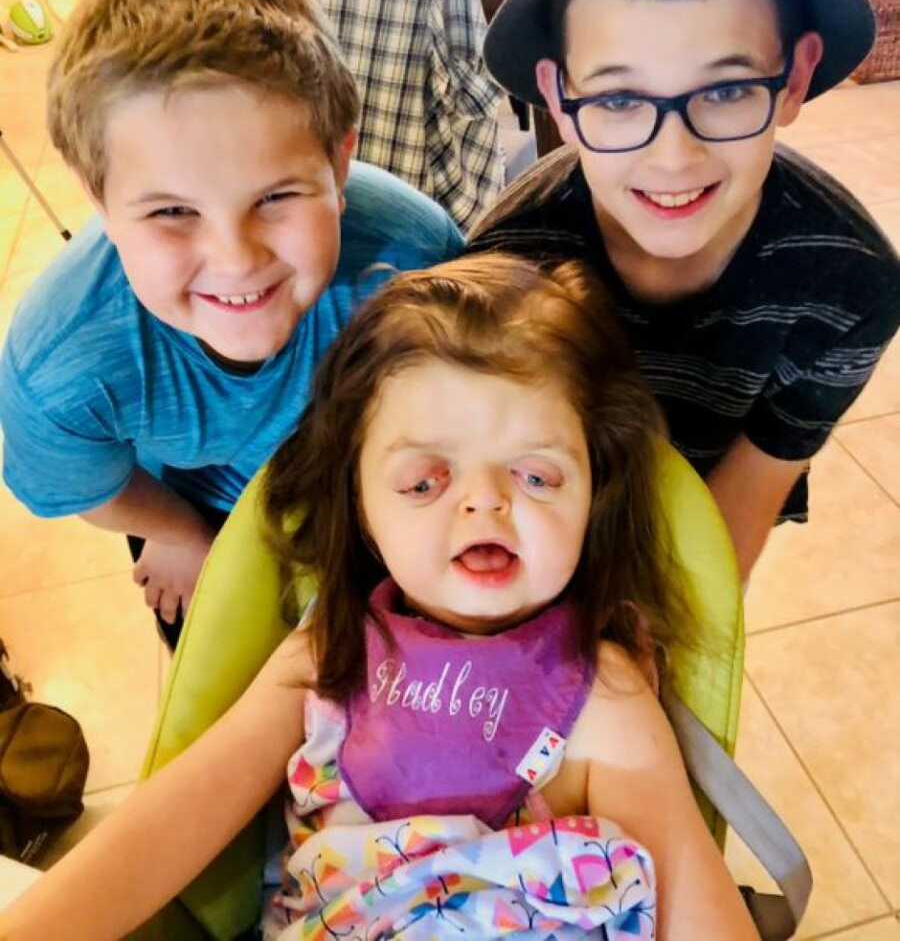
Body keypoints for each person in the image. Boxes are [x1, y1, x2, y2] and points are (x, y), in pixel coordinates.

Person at [0, 254, 759, 941]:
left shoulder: (605, 696)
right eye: (427, 480)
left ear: (595, 492)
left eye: (537, 475)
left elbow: (696, 904)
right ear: (359, 502)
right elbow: (161, 831)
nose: (485, 504)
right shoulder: (325, 655)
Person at [469, 0, 900, 579]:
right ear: (558, 98)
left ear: (796, 76)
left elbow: (744, 504)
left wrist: (669, 651)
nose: (674, 157)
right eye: (620, 100)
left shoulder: (850, 282)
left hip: (705, 510)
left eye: (728, 89)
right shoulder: (505, 264)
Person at [0, 0, 462, 647]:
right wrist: (177, 532)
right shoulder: (60, 365)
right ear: (99, 197)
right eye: (171, 212)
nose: (237, 259)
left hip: (368, 494)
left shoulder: (417, 261)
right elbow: (90, 482)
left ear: (340, 163)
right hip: (190, 508)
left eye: (275, 196)